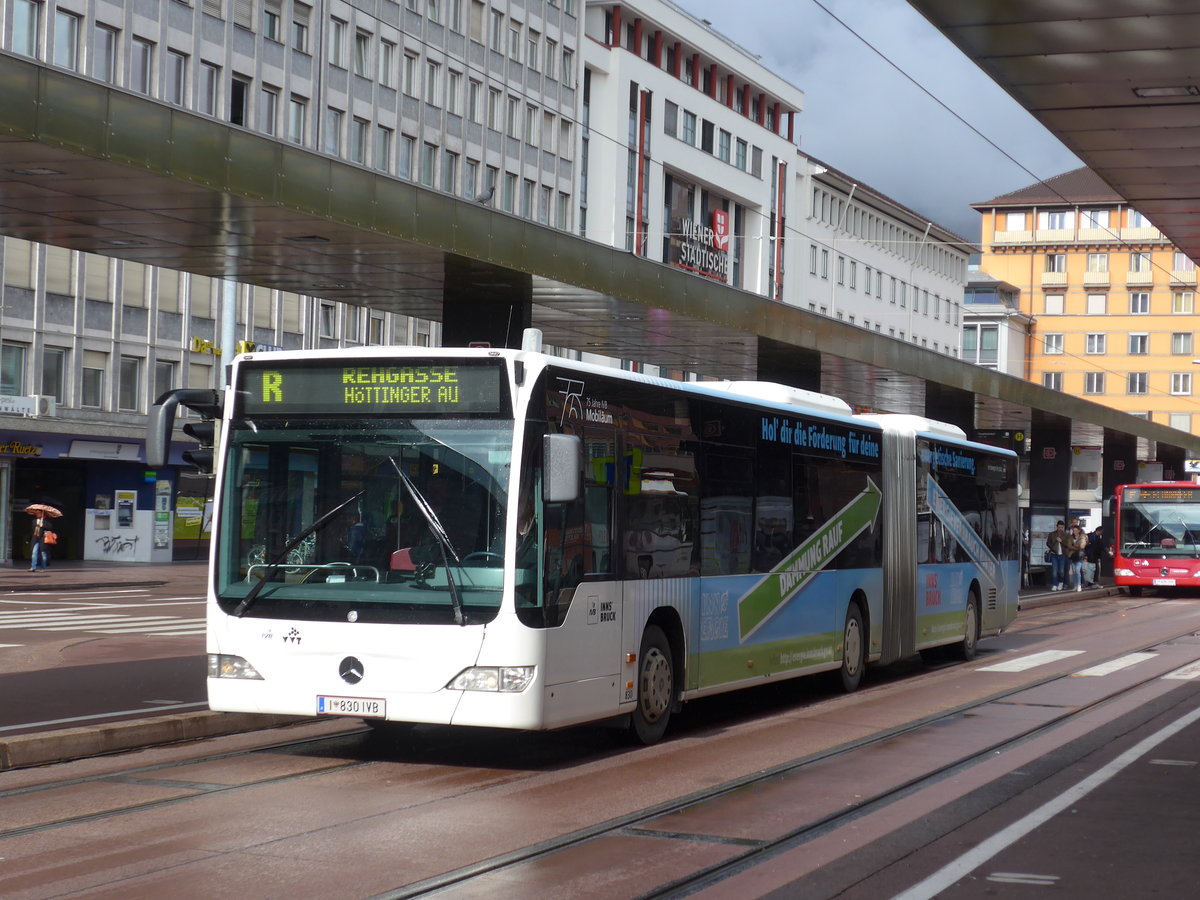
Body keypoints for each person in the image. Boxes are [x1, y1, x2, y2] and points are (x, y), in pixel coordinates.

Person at [1045, 520, 1070, 591]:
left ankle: (1061, 582)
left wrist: (1061, 541)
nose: (1060, 529)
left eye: (1062, 527)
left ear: (1063, 527)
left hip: (1062, 555)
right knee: (1054, 571)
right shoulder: (1052, 534)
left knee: (1061, 571)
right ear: (1057, 526)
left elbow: (1068, 545)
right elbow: (1048, 543)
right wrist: (1052, 547)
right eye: (1059, 527)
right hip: (1054, 554)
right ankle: (1055, 584)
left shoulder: (1066, 535)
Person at [1068, 523, 1088, 591]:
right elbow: (1069, 546)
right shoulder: (1071, 537)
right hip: (1072, 555)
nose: (1075, 532)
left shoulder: (1082, 537)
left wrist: (1073, 546)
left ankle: (1079, 585)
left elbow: (1082, 546)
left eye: (1076, 530)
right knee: (1074, 571)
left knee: (1077, 570)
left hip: (1079, 556)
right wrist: (1076, 547)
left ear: (1079, 531)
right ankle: (1075, 585)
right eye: (1073, 531)